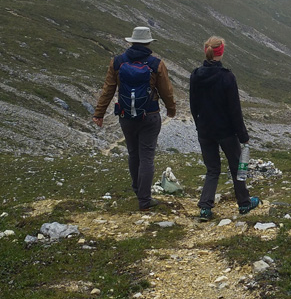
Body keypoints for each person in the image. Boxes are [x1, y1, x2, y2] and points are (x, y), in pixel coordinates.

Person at [93, 26, 177, 210]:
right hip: (150, 116)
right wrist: (171, 110)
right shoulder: (156, 64)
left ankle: (138, 191)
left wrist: (99, 113)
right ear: (148, 43)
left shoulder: (117, 62)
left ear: (131, 42)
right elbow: (166, 91)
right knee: (147, 157)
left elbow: (108, 90)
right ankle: (145, 201)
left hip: (126, 116)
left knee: (133, 154)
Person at [189, 35, 260, 221]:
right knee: (237, 166)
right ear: (221, 52)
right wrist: (243, 135)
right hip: (226, 131)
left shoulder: (196, 75)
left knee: (212, 169)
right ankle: (244, 203)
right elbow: (234, 110)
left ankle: (205, 208)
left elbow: (193, 105)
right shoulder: (227, 77)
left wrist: (199, 127)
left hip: (205, 130)